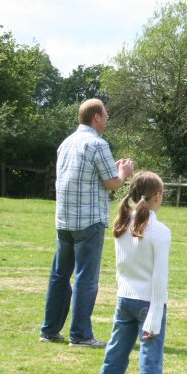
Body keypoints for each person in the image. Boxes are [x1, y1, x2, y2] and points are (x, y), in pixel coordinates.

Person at [40, 99, 134, 347]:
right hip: (89, 221)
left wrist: (113, 171)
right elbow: (112, 183)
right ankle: (80, 335)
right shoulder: (98, 143)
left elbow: (90, 176)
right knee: (86, 278)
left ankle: (49, 330)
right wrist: (124, 172)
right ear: (96, 117)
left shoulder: (67, 143)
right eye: (106, 115)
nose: (107, 120)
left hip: (64, 220)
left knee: (60, 275)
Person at [92, 171, 179, 374]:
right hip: (148, 303)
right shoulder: (159, 232)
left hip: (125, 299)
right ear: (157, 196)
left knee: (114, 359)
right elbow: (159, 277)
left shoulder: (121, 223)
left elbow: (122, 269)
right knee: (150, 365)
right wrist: (154, 316)